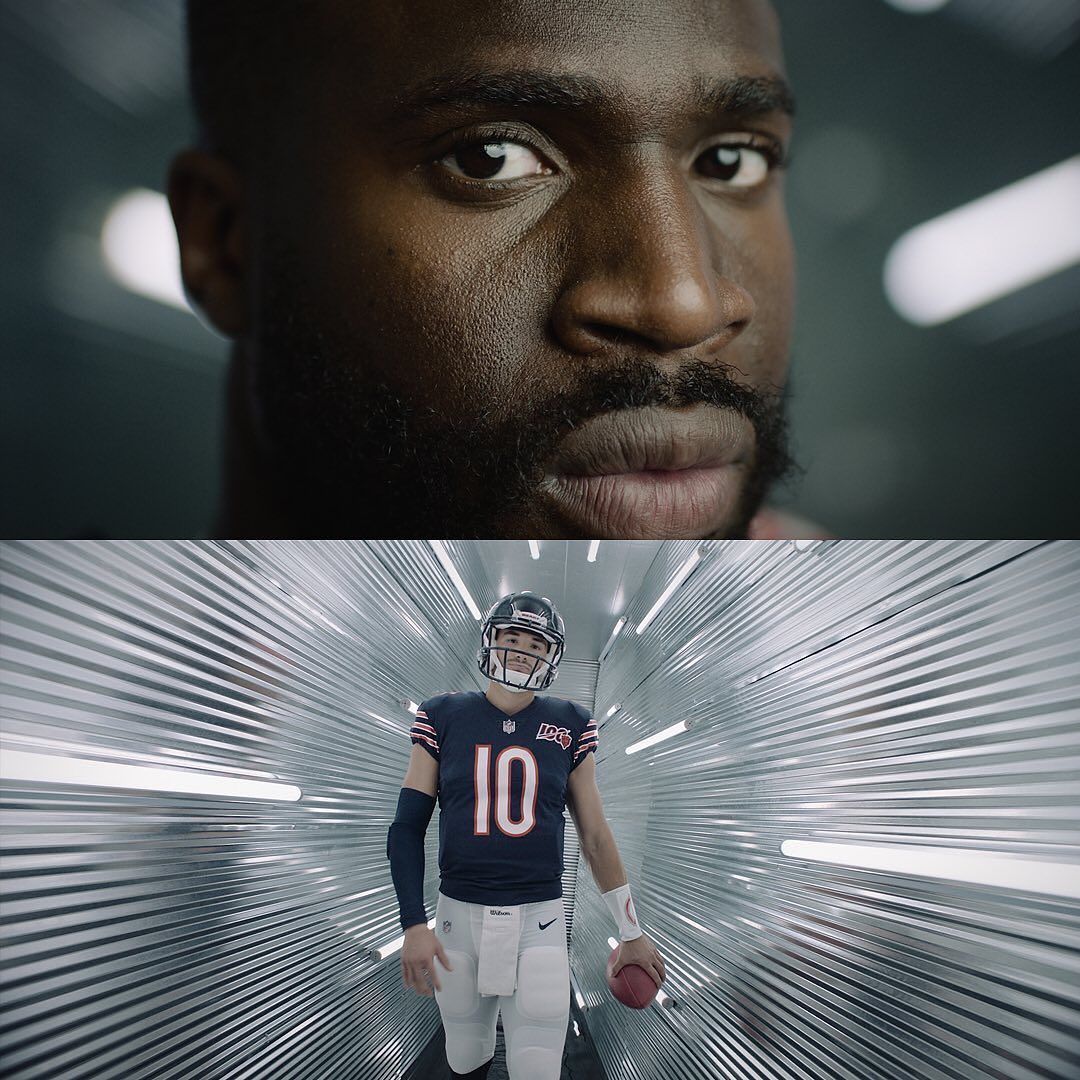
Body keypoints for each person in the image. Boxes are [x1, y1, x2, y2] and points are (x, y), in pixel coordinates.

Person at [170, 0, 832, 541]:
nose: (684, 305)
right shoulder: (86, 691)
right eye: (490, 158)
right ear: (223, 242)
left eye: (731, 162)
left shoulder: (881, 676)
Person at [386, 591, 665, 1079]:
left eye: (535, 643)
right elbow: (407, 826)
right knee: (465, 1054)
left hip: (539, 916)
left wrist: (631, 931)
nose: (521, 651)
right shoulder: (442, 715)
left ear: (550, 657)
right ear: (490, 641)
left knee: (537, 1063)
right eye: (511, 637)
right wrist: (412, 923)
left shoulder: (570, 724)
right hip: (459, 916)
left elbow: (595, 835)